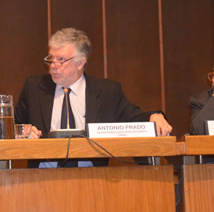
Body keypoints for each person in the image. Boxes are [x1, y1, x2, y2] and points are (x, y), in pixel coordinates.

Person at [15, 28, 172, 167]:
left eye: (61, 60)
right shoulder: (35, 88)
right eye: (51, 58)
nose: (53, 65)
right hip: (41, 180)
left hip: (92, 178)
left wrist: (155, 115)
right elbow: (9, 128)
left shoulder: (107, 92)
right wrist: (22, 130)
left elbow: (135, 121)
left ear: (80, 63)